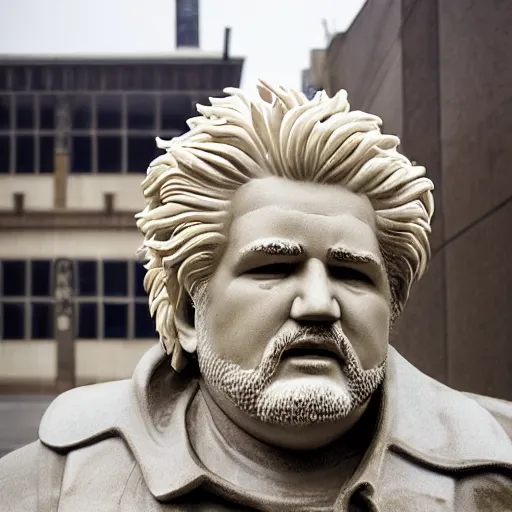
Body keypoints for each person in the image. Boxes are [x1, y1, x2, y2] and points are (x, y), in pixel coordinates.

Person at [1, 80, 512, 511]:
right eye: (274, 267)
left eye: (352, 275)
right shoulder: (46, 488)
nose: (318, 304)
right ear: (185, 312)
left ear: (392, 307)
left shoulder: (498, 468)